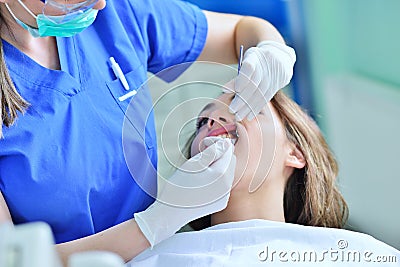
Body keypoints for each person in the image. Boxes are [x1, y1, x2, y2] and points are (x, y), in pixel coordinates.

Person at [0, 0, 296, 265]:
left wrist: (271, 46)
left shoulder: (119, 14)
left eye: (244, 103)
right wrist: (154, 224)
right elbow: (10, 259)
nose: (101, 5)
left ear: (296, 153)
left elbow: (243, 29)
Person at [129, 90, 400, 266]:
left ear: (294, 153)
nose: (211, 119)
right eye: (202, 122)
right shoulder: (147, 259)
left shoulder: (360, 255)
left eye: (243, 106)